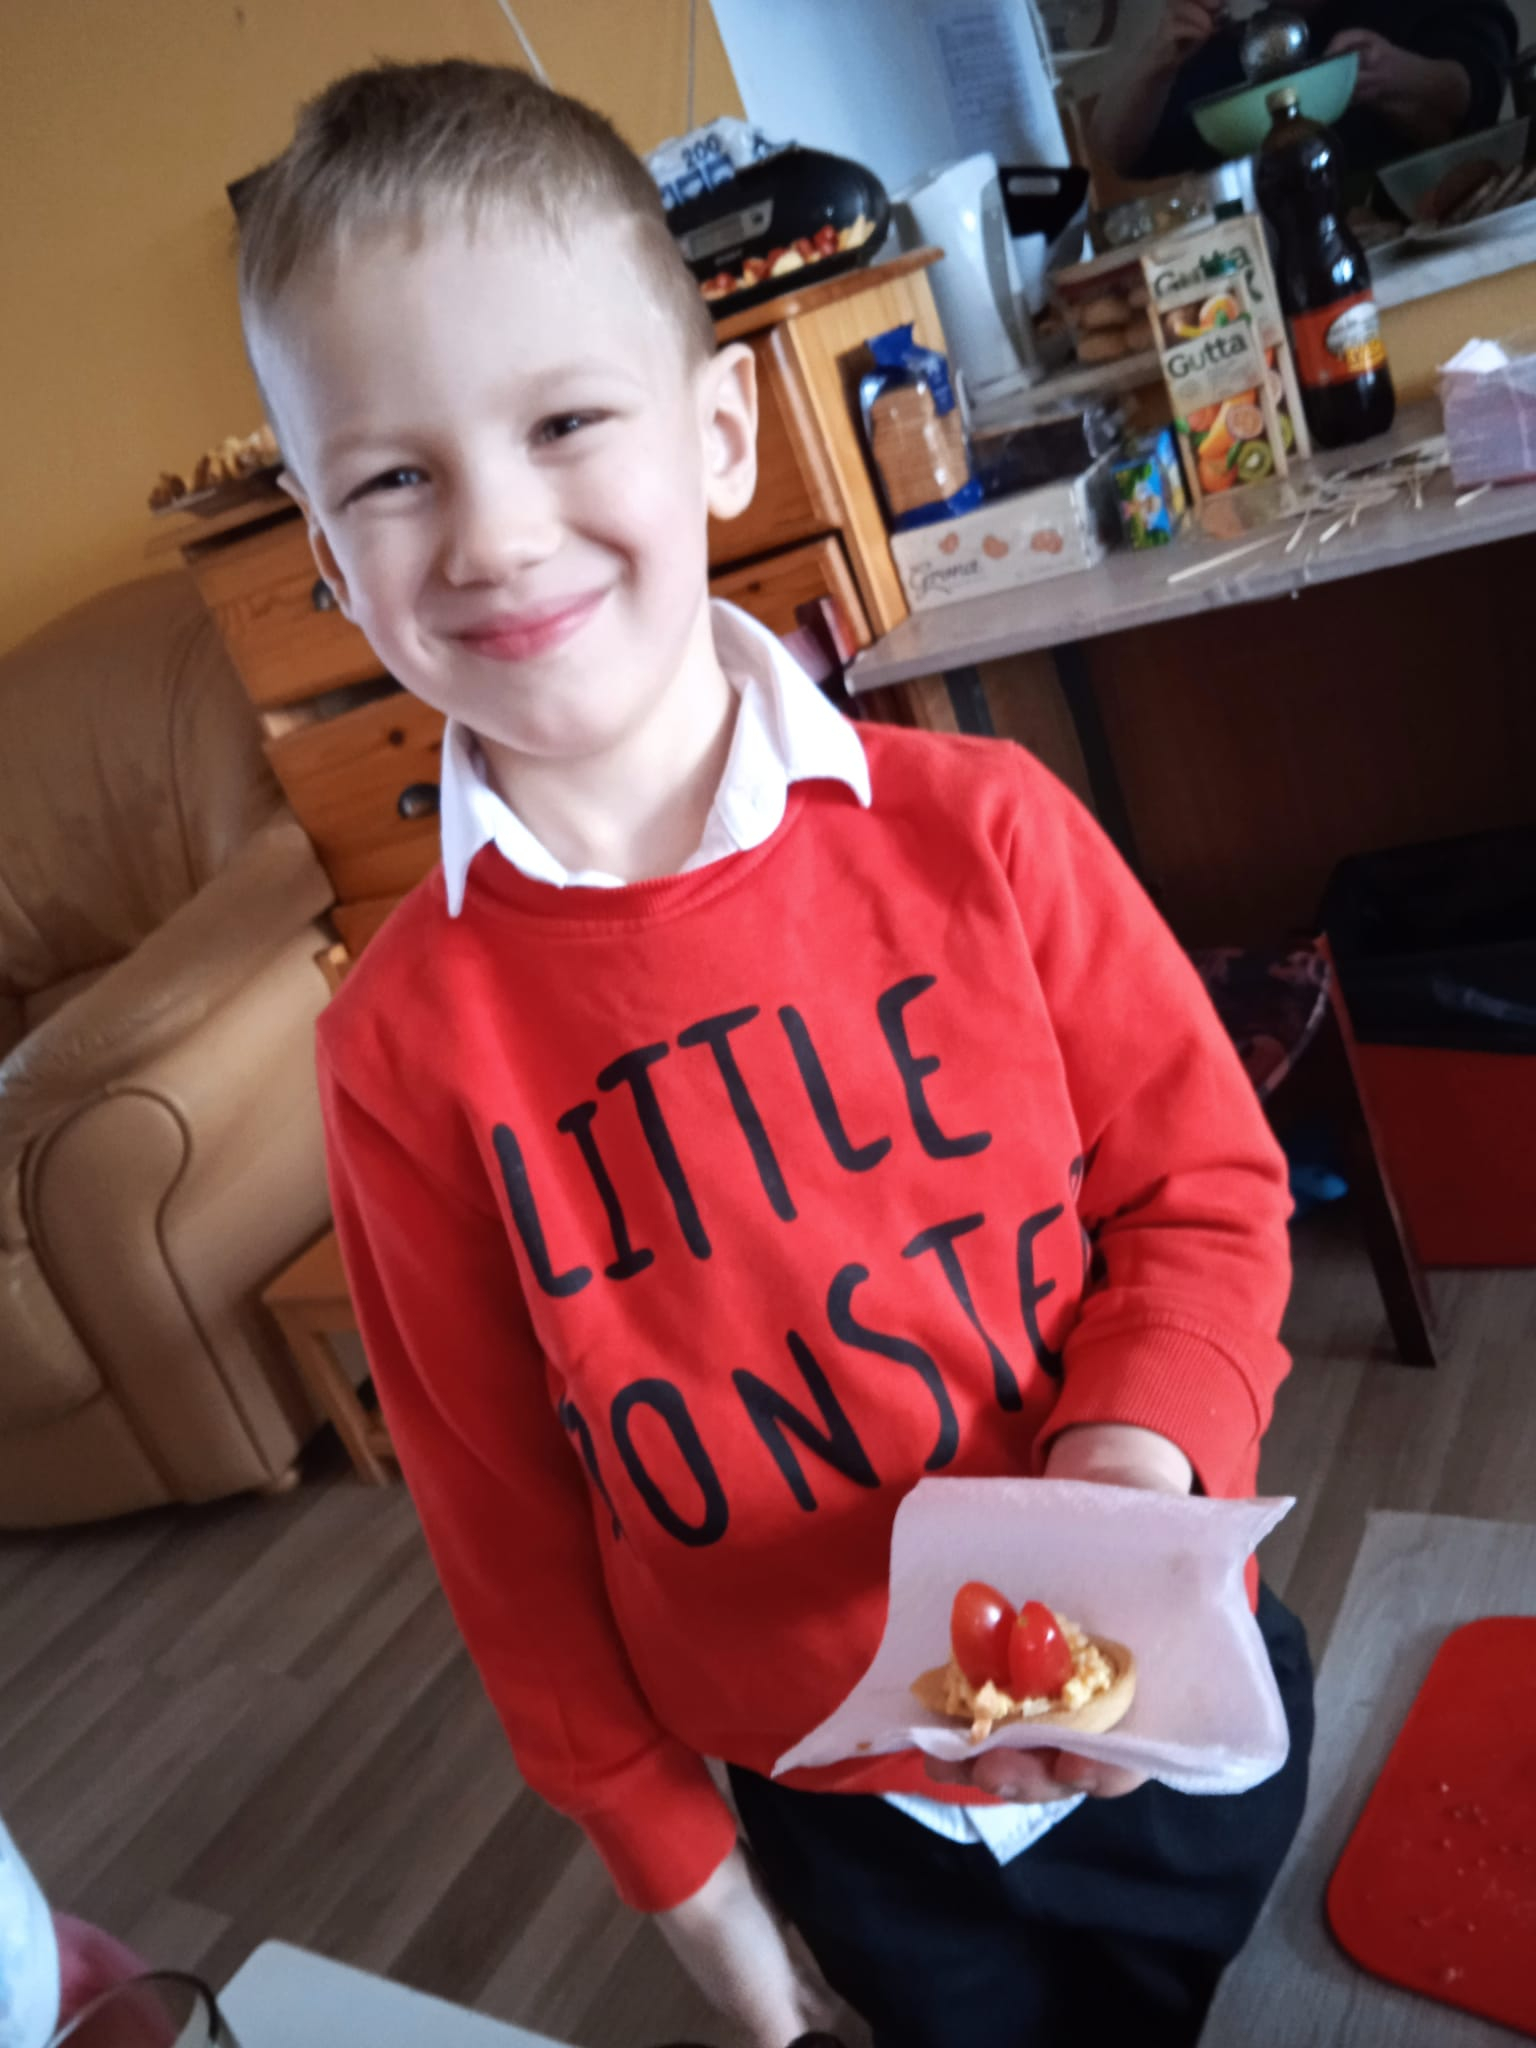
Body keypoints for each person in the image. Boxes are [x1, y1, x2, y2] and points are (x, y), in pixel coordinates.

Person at [238, 60, 1313, 2048]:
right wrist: (703, 1907)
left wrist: (1128, 1462)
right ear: (321, 541)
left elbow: (1205, 1189)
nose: (494, 535)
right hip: (838, 1808)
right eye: (391, 478)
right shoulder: (397, 1051)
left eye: (565, 420)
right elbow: (503, 1531)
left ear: (721, 429)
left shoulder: (988, 828)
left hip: (1151, 1682)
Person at [1091, 0, 1518, 179]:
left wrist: (1398, 73)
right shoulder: (1242, 45)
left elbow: (1476, 90)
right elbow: (1120, 153)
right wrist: (1157, 57)